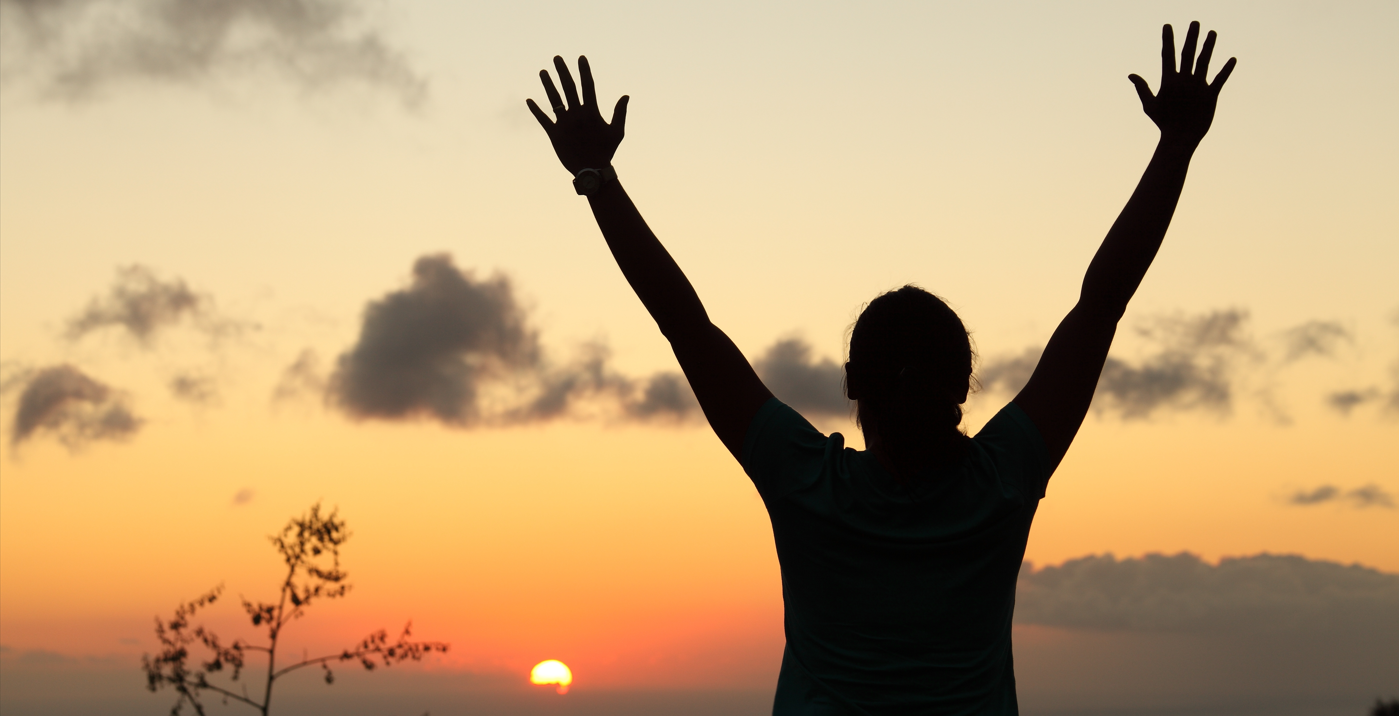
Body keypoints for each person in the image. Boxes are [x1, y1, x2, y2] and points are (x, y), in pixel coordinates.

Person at [527, 21, 1235, 716]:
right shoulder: (1003, 481)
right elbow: (1100, 306)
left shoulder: (804, 481)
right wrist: (1176, 145)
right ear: (962, 388)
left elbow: (683, 325)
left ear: (850, 384)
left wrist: (598, 177)